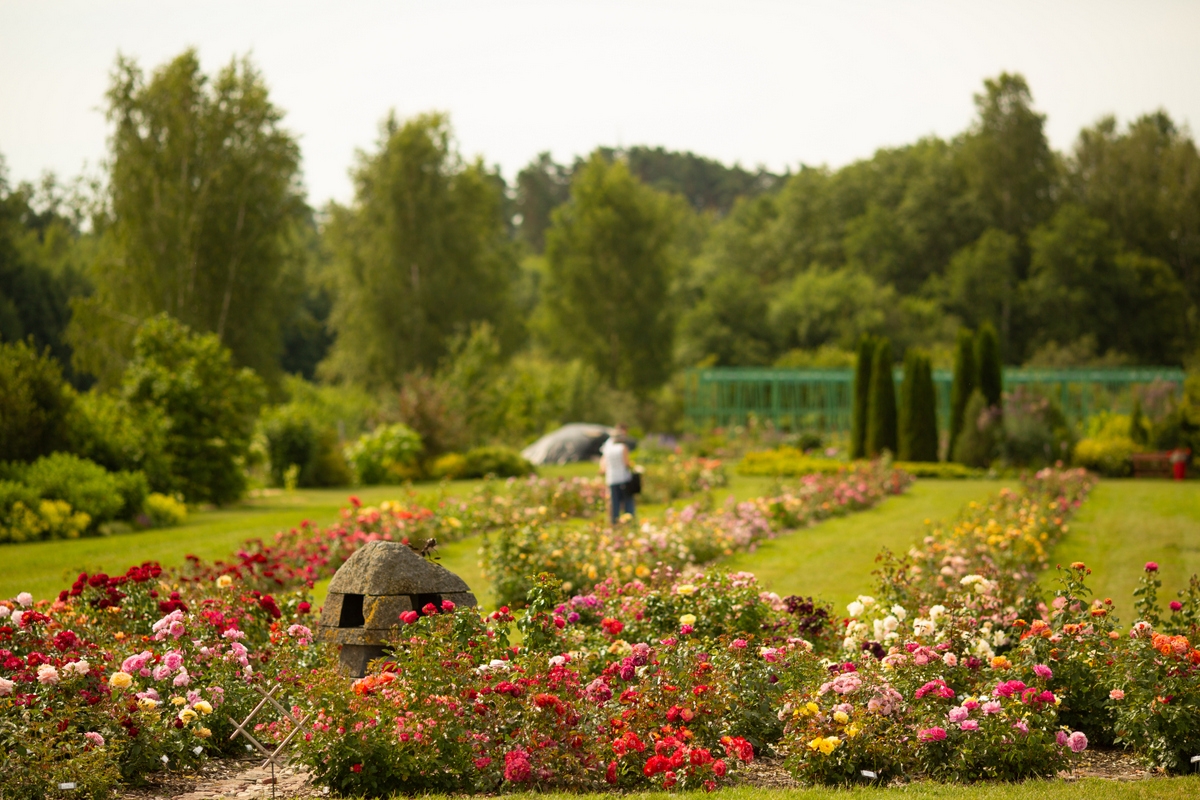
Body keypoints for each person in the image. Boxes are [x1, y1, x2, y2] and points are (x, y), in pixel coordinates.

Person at [599, 424, 634, 524]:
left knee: (615, 503)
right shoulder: (623, 447)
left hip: (611, 478)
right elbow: (626, 463)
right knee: (627, 502)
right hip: (623, 478)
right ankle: (629, 522)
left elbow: (604, 461)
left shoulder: (608, 449)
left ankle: (614, 523)